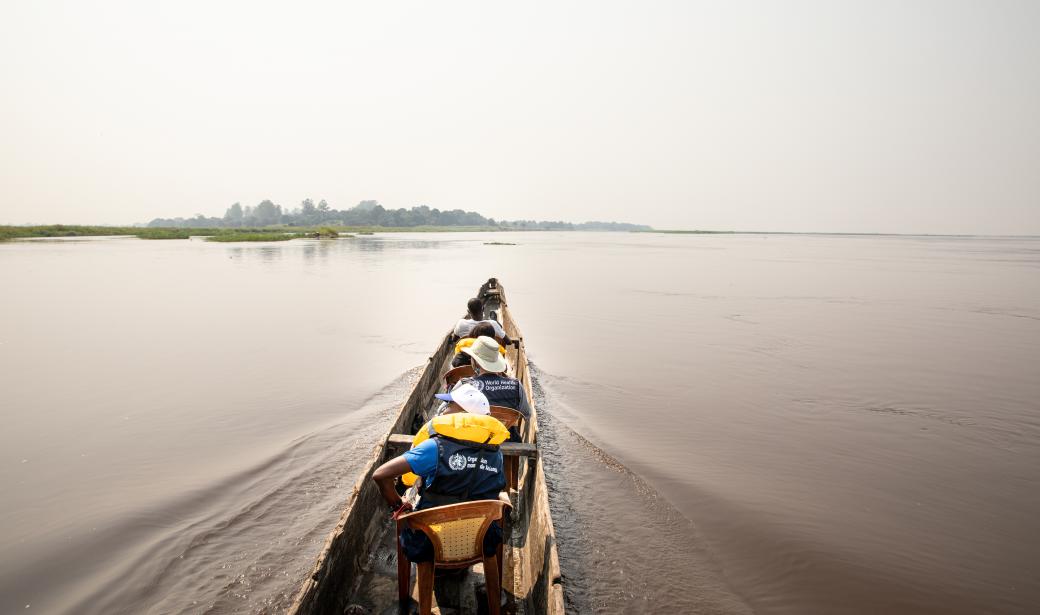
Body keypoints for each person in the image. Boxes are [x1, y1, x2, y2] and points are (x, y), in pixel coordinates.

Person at [372, 385, 508, 563]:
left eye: (450, 404)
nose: (444, 407)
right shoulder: (496, 453)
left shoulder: (434, 447)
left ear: (463, 414)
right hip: (482, 540)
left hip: (428, 544)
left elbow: (381, 475)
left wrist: (399, 505)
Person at [458, 336, 530, 420]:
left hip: (472, 431)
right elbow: (526, 414)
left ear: (475, 362)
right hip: (506, 432)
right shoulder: (516, 385)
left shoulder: (464, 384)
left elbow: (450, 413)